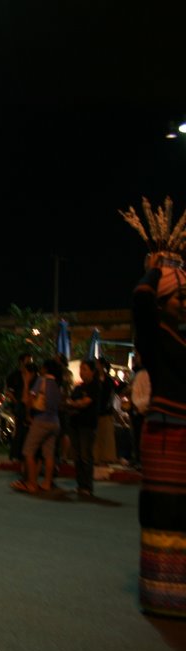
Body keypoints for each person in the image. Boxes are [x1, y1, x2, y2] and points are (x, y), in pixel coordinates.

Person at [132, 257, 186, 618]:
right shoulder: (153, 335)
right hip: (163, 432)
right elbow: (139, 296)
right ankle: (159, 592)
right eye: (179, 298)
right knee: (163, 508)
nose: (184, 305)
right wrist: (155, 268)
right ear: (162, 302)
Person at [10, 358, 63, 493]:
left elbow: (30, 399)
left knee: (28, 451)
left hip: (41, 420)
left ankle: (31, 483)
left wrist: (28, 415)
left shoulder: (42, 380)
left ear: (46, 369)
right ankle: (46, 483)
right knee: (49, 454)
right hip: (55, 422)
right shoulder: (58, 384)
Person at [66, 358, 101, 498]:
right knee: (77, 456)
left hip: (87, 425)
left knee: (86, 456)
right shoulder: (79, 387)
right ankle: (80, 485)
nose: (81, 372)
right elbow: (70, 401)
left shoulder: (95, 386)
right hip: (75, 424)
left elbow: (83, 403)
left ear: (92, 371)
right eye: (81, 369)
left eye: (84, 369)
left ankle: (87, 486)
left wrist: (75, 403)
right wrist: (74, 403)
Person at [5, 353, 33, 463]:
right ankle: (16, 453)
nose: (30, 363)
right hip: (18, 406)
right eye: (28, 361)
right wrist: (16, 402)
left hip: (29, 405)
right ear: (21, 362)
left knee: (26, 430)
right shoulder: (14, 376)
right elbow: (9, 392)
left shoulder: (32, 375)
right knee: (20, 429)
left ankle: (21, 453)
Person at [93, 356, 118, 465]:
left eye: (97, 364)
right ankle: (96, 457)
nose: (96, 366)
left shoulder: (108, 380)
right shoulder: (95, 378)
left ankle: (105, 458)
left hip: (105, 412)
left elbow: (110, 396)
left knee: (105, 436)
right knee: (97, 436)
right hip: (97, 411)